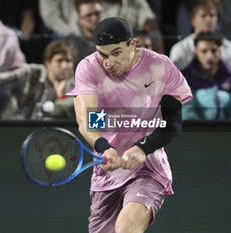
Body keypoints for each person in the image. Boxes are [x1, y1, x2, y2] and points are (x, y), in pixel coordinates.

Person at [67, 17, 192, 232]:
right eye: (103, 54)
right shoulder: (89, 68)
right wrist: (104, 148)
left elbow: (172, 123)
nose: (108, 63)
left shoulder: (160, 67)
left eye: (116, 53)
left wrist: (143, 147)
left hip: (148, 170)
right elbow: (88, 120)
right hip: (106, 175)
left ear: (133, 45)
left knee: (125, 229)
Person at [0, 40, 76, 120]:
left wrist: (61, 98)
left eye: (68, 61)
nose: (64, 66)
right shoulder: (30, 73)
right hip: (12, 128)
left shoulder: (75, 87)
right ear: (47, 63)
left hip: (43, 136)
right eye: (59, 61)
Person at [182, 32, 231, 120]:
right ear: (196, 53)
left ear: (220, 52)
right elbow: (186, 110)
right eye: (204, 51)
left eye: (214, 51)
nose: (209, 56)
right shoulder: (185, 80)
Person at [170, 0, 231, 73]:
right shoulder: (180, 49)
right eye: (203, 16)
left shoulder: (228, 47)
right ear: (193, 21)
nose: (208, 20)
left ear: (217, 20)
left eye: (212, 15)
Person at [65, 0, 105, 66]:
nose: (94, 18)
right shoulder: (70, 45)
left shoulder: (117, 37)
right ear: (79, 19)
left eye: (97, 13)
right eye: (88, 15)